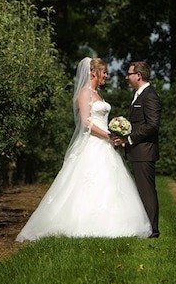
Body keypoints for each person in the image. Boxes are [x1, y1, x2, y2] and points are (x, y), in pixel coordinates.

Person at [15, 57, 152, 242]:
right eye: (104, 72)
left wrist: (113, 132)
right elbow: (86, 123)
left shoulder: (98, 94)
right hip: (93, 144)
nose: (106, 76)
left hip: (106, 145)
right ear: (94, 72)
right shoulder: (84, 93)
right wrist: (108, 135)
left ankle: (114, 224)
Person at [113, 61, 161, 238]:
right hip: (138, 151)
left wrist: (129, 138)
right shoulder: (138, 95)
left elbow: (153, 125)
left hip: (144, 151)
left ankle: (152, 231)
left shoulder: (149, 96)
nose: (127, 77)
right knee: (142, 190)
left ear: (138, 76)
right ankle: (146, 226)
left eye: (129, 74)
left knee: (147, 190)